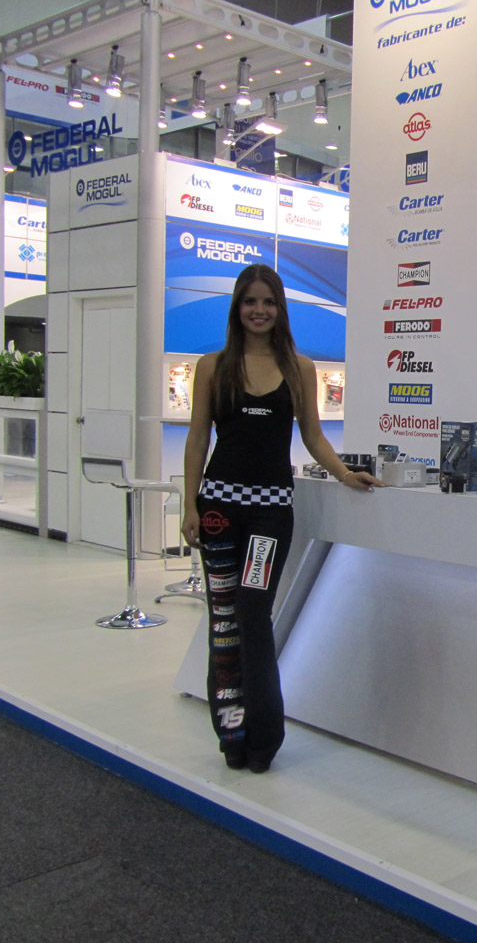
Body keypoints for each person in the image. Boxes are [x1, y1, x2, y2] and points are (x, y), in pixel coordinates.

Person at [182, 264, 383, 774]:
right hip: (218, 512)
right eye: (250, 301)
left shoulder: (299, 367)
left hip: (270, 515)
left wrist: (346, 474)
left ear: (280, 309)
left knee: (253, 615)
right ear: (237, 307)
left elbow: (312, 435)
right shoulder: (212, 366)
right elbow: (198, 438)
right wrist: (189, 504)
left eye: (268, 302)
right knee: (224, 620)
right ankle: (232, 733)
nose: (259, 311)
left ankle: (265, 736)